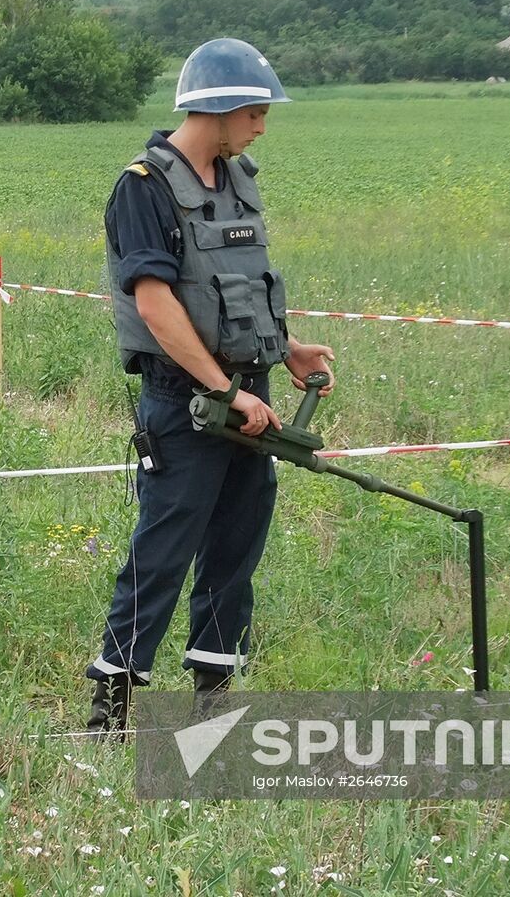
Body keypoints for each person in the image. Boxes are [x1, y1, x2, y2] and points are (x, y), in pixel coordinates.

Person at [87, 37, 335, 734]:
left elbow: (233, 290)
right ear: (218, 108)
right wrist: (225, 392)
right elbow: (157, 305)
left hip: (248, 396)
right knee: (160, 556)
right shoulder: (143, 186)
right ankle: (113, 706)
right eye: (255, 111)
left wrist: (286, 351)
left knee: (234, 556)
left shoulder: (237, 179)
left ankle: (211, 706)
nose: (262, 124)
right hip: (187, 403)